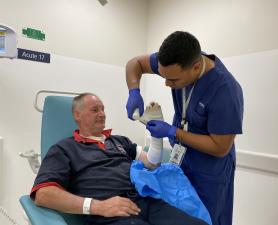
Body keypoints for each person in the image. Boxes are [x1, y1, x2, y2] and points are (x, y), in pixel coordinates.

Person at [30, 93, 208, 225]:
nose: (102, 114)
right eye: (95, 110)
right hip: (109, 215)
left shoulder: (119, 141)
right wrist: (98, 207)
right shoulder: (64, 149)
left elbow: (152, 163)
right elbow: (43, 195)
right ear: (77, 115)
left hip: (146, 203)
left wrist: (155, 136)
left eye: (103, 109)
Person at [125, 31, 244, 225]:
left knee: (206, 219)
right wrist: (133, 90)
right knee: (180, 215)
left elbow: (220, 147)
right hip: (182, 158)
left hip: (210, 170)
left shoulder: (225, 90)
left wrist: (173, 132)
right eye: (164, 77)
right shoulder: (177, 60)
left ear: (196, 67)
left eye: (173, 80)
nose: (166, 84)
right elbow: (135, 64)